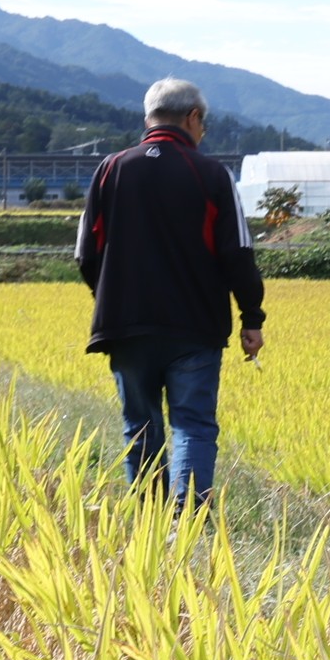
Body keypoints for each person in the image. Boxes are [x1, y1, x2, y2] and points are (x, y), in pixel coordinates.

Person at [75, 77, 265, 499]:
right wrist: (251, 318)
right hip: (194, 329)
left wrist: (112, 298)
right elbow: (239, 254)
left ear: (149, 117)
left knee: (140, 428)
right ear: (193, 118)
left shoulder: (110, 169)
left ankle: (148, 526)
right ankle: (187, 523)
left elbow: (86, 254)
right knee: (193, 425)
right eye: (204, 124)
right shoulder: (212, 174)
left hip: (125, 327)